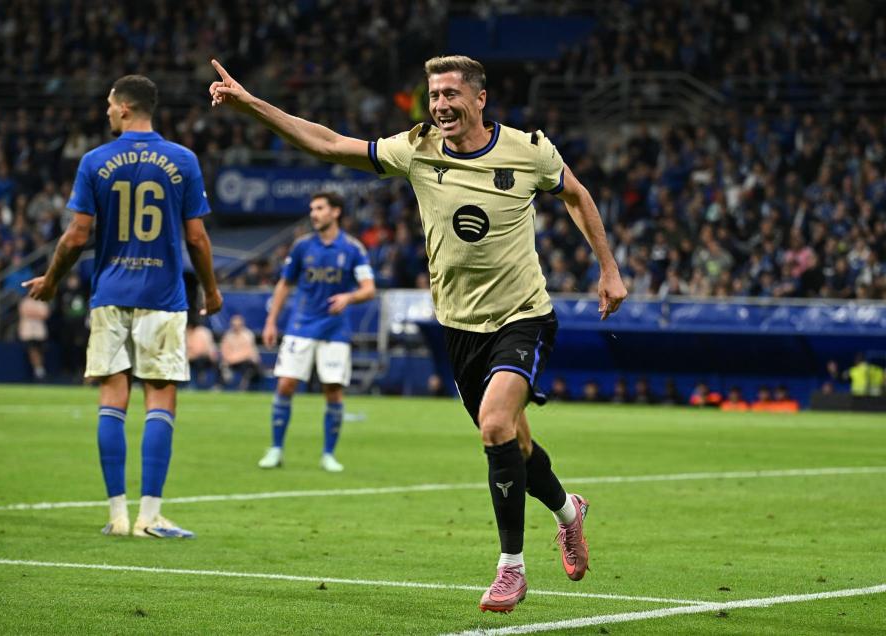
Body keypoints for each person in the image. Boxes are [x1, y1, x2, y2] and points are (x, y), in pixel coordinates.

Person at [210, 54, 627, 612]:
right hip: (459, 327)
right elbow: (329, 145)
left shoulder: (528, 150)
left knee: (496, 424)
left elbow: (576, 194)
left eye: (451, 94)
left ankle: (511, 568)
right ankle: (569, 512)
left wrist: (609, 268)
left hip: (522, 316)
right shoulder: (417, 148)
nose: (440, 106)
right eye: (433, 96)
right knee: (517, 445)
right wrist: (251, 104)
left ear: (480, 98)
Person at [24, 75, 222, 539]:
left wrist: (52, 282)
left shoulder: (96, 161)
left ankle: (116, 516)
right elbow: (196, 236)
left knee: (113, 398)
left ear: (127, 107)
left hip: (110, 294)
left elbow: (76, 236)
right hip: (163, 296)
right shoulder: (182, 160)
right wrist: (210, 290)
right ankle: (150, 517)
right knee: (160, 397)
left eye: (109, 105)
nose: (106, 112)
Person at [258, 192, 376, 473]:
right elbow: (284, 285)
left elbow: (369, 288)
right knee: (286, 384)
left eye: (320, 208)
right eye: (312, 209)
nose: (314, 214)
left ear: (335, 212)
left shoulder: (352, 248)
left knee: (333, 391)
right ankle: (275, 449)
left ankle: (328, 454)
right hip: (302, 325)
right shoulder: (301, 247)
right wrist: (271, 321)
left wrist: (349, 298)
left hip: (335, 330)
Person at [219, 314, 262, 390]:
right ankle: (219, 386)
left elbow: (248, 353)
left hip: (245, 362)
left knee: (250, 366)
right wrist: (230, 359)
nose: (236, 326)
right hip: (231, 362)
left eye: (238, 324)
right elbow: (224, 351)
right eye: (234, 324)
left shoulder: (248, 335)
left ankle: (244, 387)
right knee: (220, 365)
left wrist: (234, 359)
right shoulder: (228, 336)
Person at [18, 296, 50, 381]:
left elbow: (45, 314)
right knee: (32, 351)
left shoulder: (41, 301)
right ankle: (39, 371)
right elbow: (24, 312)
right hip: (28, 332)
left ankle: (39, 369)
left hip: (40, 332)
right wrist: (36, 313)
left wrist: (32, 313)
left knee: (40, 351)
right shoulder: (25, 301)